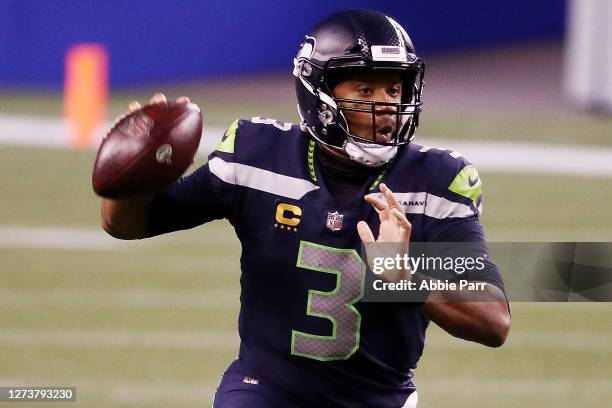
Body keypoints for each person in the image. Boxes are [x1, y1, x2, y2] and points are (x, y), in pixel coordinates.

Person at [100, 9, 510, 408]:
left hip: (378, 398)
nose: (386, 104)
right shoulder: (257, 153)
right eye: (365, 90)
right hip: (266, 388)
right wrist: (133, 176)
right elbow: (127, 225)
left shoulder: (435, 181)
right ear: (321, 95)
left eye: (393, 89)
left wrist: (402, 277)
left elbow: (493, 321)